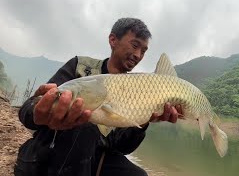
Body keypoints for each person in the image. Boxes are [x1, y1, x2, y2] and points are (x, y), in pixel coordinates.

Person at [14, 17, 183, 176]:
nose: (138, 55)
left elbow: (121, 147)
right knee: (86, 122)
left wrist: (144, 120)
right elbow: (27, 113)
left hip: (93, 157)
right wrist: (38, 110)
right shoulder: (79, 67)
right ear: (113, 40)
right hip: (50, 155)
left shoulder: (137, 89)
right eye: (134, 45)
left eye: (143, 50)